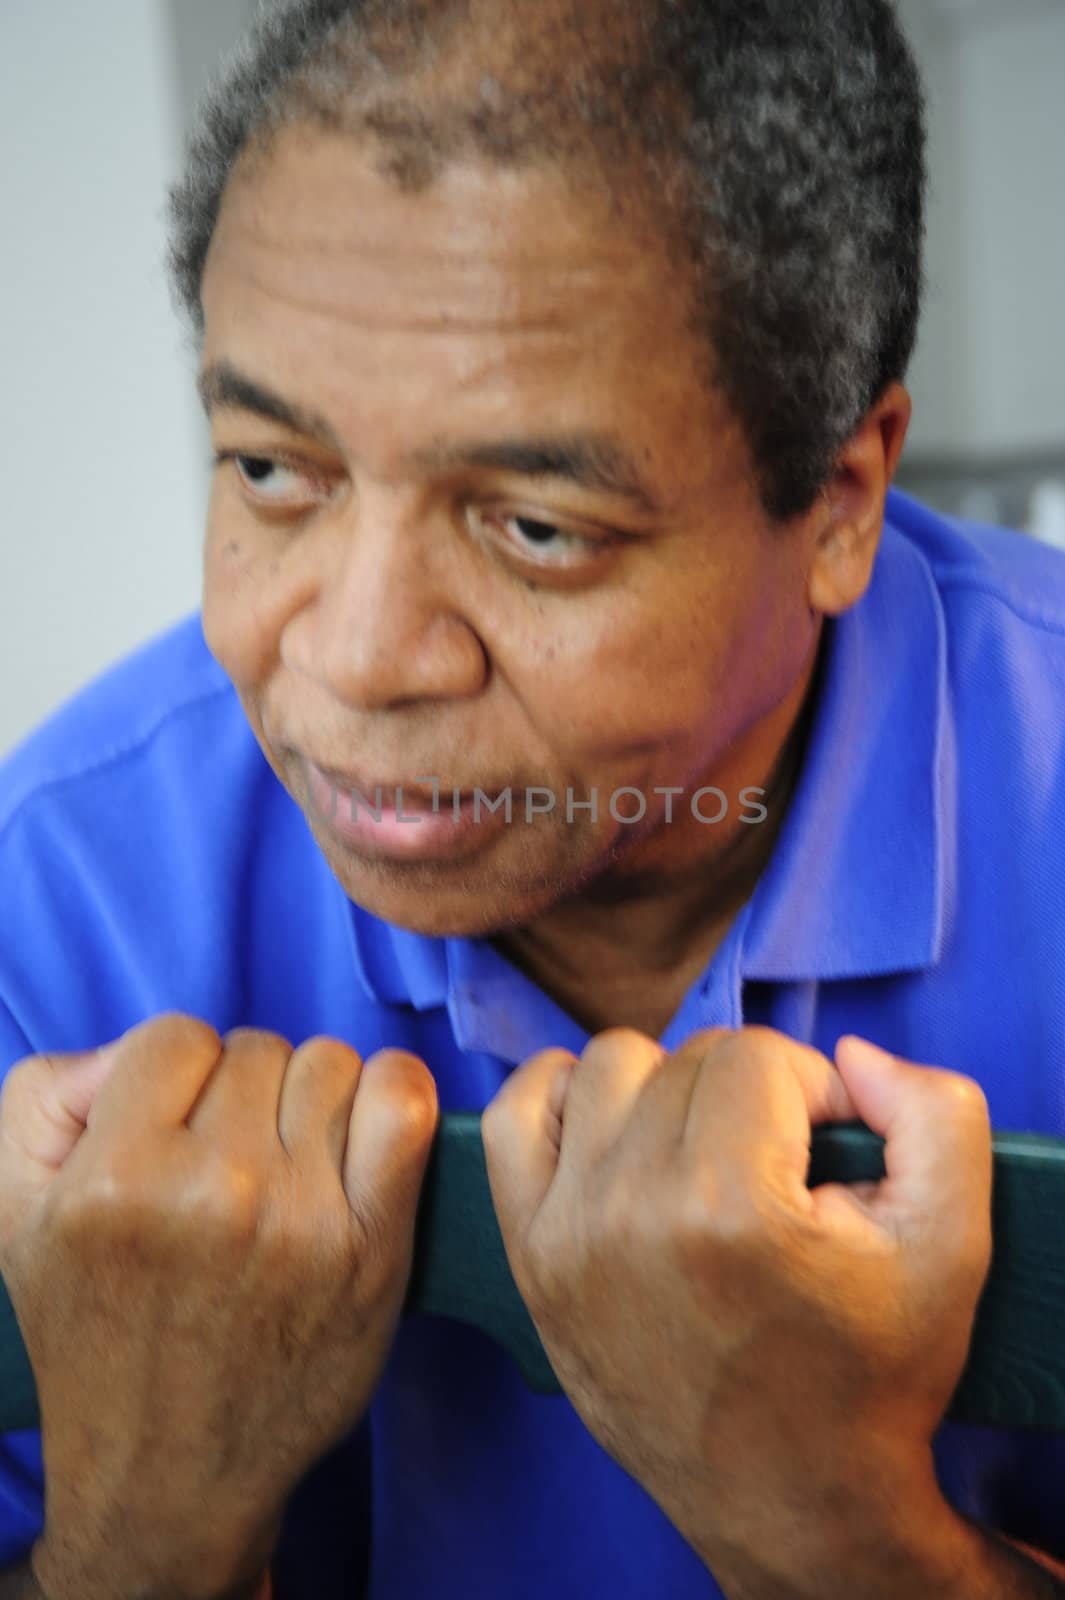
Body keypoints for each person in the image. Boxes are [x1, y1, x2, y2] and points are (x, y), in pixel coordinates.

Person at [0, 0, 1063, 1595]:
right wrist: (145, 1531)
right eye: (272, 470)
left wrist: (834, 1530)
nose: (353, 661)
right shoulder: (61, 898)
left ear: (840, 501)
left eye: (535, 529)